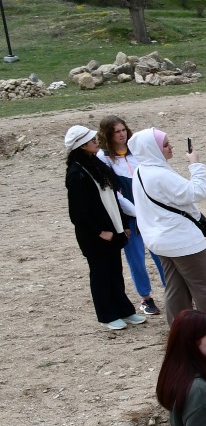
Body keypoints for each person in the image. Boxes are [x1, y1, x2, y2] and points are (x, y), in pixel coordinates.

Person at [129, 128, 206, 322]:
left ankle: (179, 329)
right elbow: (197, 192)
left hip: (160, 240)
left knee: (175, 288)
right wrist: (195, 164)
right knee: (204, 288)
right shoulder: (159, 174)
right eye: (165, 145)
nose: (170, 146)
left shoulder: (141, 170)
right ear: (151, 149)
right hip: (182, 241)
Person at [63, 124, 144, 332]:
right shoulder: (76, 173)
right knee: (101, 273)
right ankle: (107, 314)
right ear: (81, 146)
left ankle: (124, 310)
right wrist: (100, 232)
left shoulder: (96, 165)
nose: (96, 141)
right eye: (91, 141)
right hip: (96, 235)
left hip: (113, 229)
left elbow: (113, 197)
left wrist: (123, 225)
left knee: (115, 271)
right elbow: (78, 212)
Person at [96, 115, 161, 316]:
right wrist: (134, 211)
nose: (122, 134)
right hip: (128, 215)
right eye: (117, 131)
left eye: (123, 129)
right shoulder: (103, 157)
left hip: (150, 211)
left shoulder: (137, 151)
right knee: (136, 257)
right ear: (108, 134)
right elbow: (113, 192)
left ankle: (174, 290)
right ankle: (146, 298)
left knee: (160, 252)